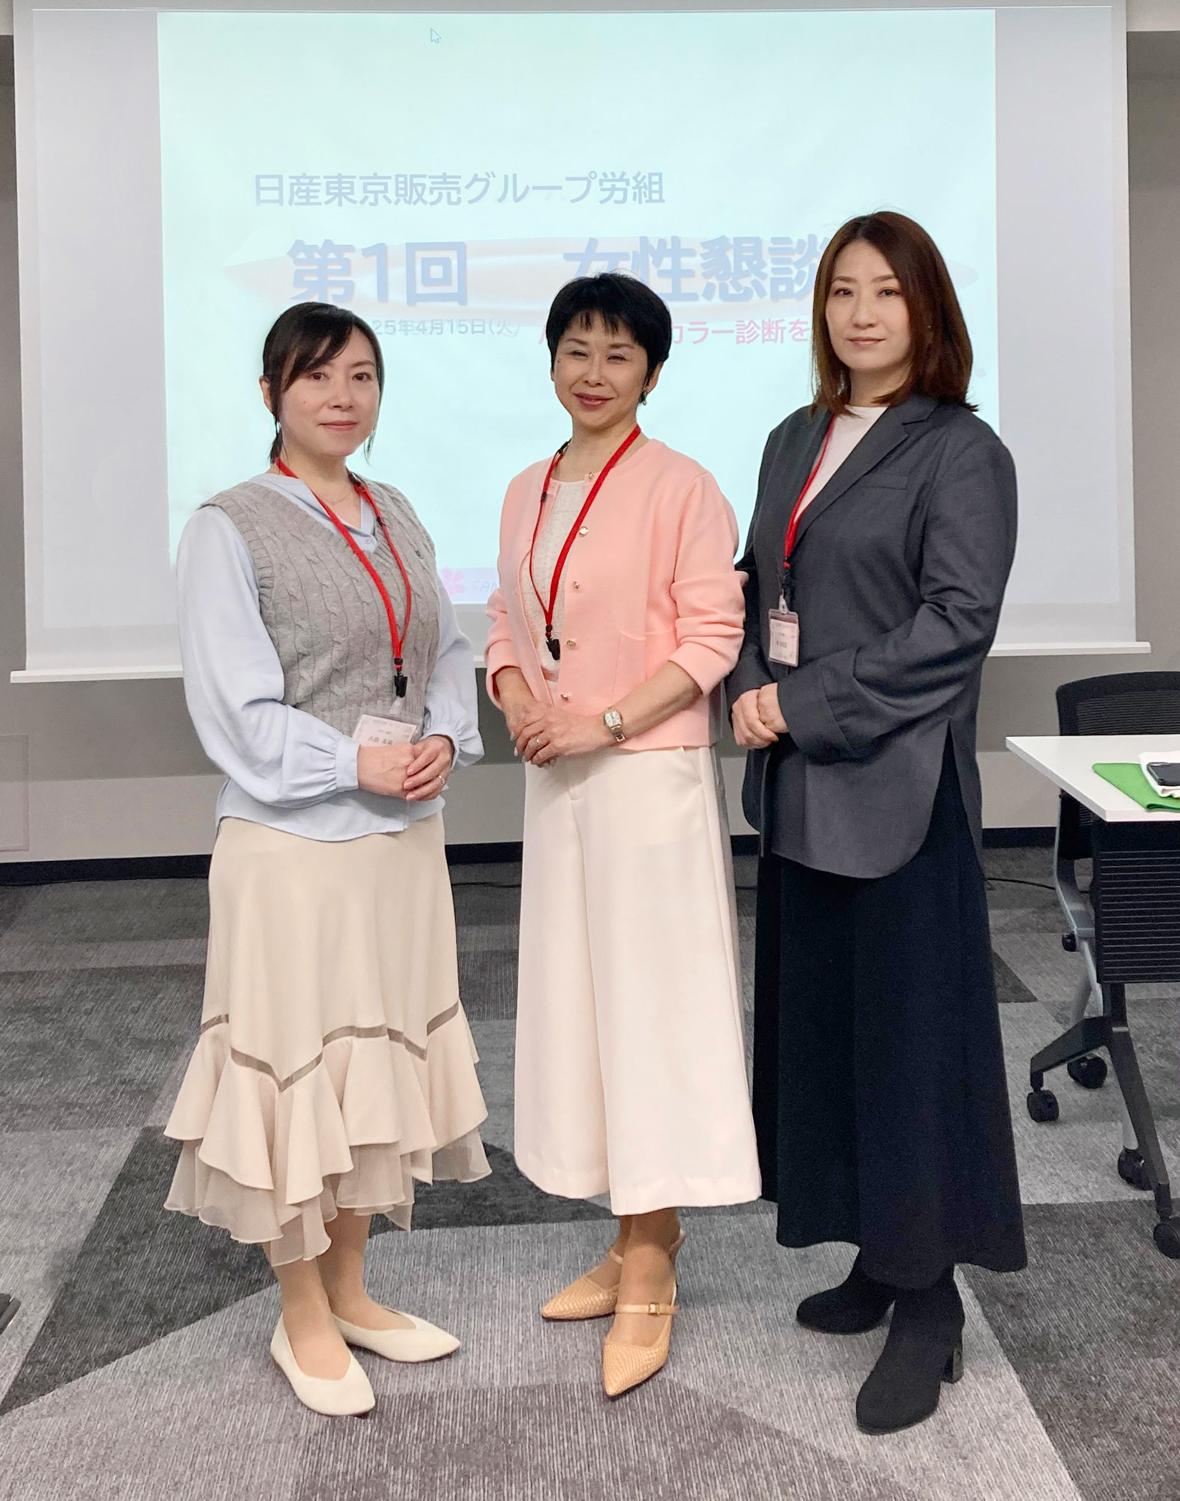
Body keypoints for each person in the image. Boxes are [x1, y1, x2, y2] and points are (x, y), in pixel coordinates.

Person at [729, 211, 1026, 1435]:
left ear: (927, 310)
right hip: (801, 785)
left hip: (899, 792)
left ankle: (931, 1300)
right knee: (829, 1037)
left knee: (912, 1049)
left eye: (887, 293)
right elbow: (759, 585)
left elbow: (956, 627)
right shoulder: (792, 436)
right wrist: (747, 682)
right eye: (842, 290)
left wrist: (799, 702)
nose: (860, 313)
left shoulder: (961, 450)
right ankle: (875, 1250)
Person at [164, 302, 490, 1417]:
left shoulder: (395, 510)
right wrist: (359, 761)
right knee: (296, 1072)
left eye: (361, 376)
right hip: (293, 846)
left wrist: (443, 735)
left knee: (375, 1070)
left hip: (400, 842)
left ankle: (350, 1287)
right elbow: (237, 715)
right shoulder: (228, 526)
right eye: (315, 377)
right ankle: (299, 1307)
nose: (341, 397)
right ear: (271, 394)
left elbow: (443, 649)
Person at [486, 272, 761, 1399]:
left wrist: (597, 723)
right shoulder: (526, 485)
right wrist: (516, 696)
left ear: (652, 370)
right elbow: (507, 618)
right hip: (559, 782)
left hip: (645, 779)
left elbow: (710, 640)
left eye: (618, 354)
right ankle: (632, 1225)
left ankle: (652, 1257)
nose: (593, 373)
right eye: (577, 350)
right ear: (551, 360)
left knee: (652, 1015)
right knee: (583, 1012)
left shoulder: (682, 485)